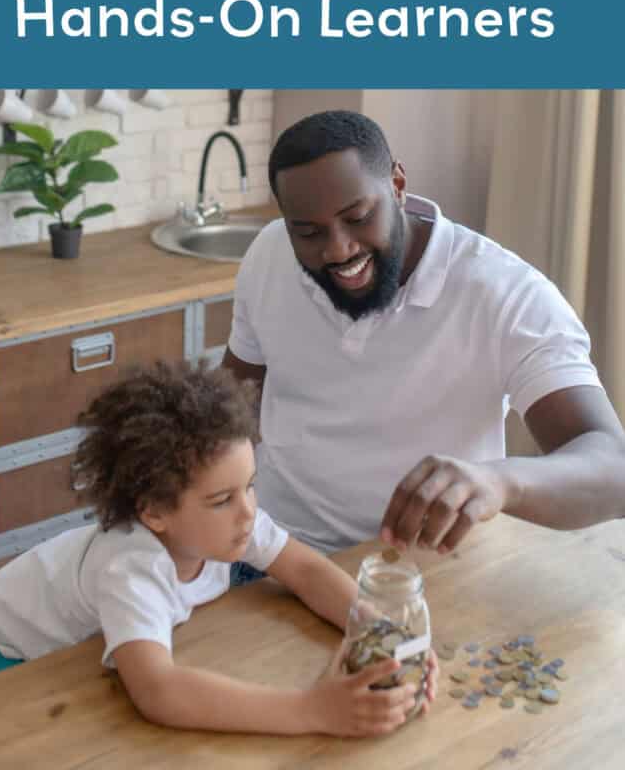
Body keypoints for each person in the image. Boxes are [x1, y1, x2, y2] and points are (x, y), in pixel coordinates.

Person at [0, 360, 438, 737]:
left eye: (250, 485)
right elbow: (158, 691)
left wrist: (383, 633)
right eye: (222, 500)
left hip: (78, 630)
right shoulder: (130, 567)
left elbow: (306, 571)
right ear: (155, 512)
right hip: (0, 652)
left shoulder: (237, 521)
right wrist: (313, 710)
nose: (248, 511)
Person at [223, 110, 625, 557]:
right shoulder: (269, 253)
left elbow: (613, 467)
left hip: (422, 568)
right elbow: (235, 395)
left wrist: (500, 481)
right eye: (309, 231)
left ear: (397, 185)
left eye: (357, 217)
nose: (338, 248)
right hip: (272, 550)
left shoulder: (505, 294)